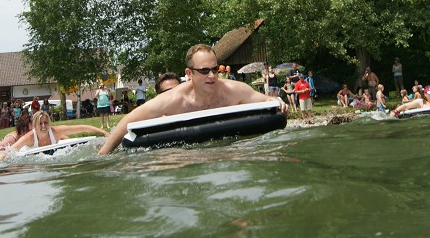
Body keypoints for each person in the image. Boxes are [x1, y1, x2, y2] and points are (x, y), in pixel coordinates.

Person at [98, 43, 288, 155]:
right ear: (189, 73)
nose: (212, 76)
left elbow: (263, 99)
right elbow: (127, 121)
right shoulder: (174, 99)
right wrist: (103, 156)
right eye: (204, 71)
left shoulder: (233, 90)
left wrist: (278, 102)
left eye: (215, 69)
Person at [5, 110, 108, 154]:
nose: (44, 126)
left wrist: (105, 133)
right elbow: (10, 151)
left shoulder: (55, 131)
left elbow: (82, 128)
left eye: (46, 123)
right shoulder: (29, 137)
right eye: (40, 124)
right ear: (35, 125)